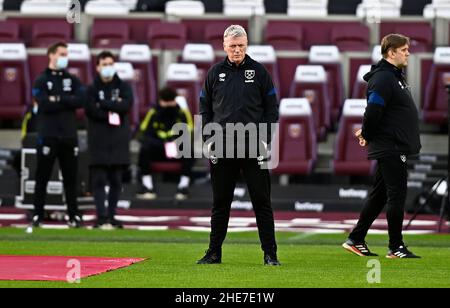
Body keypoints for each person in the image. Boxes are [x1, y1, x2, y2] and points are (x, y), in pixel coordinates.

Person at [197, 25, 280, 266]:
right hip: (222, 147)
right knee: (220, 203)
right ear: (224, 46)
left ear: (247, 45)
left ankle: (270, 254)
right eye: (232, 46)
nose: (237, 50)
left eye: (241, 46)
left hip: (253, 146)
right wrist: (209, 138)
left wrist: (262, 137)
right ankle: (213, 253)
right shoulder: (214, 73)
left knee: (262, 202)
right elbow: (205, 109)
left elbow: (271, 109)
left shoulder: (259, 72)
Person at [342, 34, 422, 259]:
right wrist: (367, 133)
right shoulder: (384, 78)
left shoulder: (394, 76)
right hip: (391, 145)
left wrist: (368, 132)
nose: (408, 53)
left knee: (379, 195)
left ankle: (356, 239)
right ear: (391, 52)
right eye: (404, 49)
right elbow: (374, 110)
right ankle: (395, 247)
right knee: (397, 194)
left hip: (393, 143)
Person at [31, 42, 85, 228]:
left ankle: (74, 215)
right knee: (42, 177)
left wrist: (58, 99)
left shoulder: (72, 78)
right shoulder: (41, 79)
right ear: (51, 55)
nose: (65, 57)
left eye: (66, 54)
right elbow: (44, 103)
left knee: (71, 179)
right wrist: (67, 100)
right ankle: (37, 214)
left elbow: (81, 99)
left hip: (69, 135)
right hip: (48, 135)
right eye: (62, 53)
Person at [85, 51, 133, 229]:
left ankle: (112, 216)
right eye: (104, 64)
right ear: (97, 67)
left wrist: (103, 104)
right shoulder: (91, 88)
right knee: (98, 181)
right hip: (98, 139)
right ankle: (101, 216)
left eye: (110, 64)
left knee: (115, 181)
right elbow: (90, 110)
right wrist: (113, 105)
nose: (108, 67)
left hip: (118, 140)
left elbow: (126, 105)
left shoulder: (124, 86)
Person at [137, 87, 194, 201]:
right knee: (145, 149)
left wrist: (174, 142)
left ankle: (183, 187)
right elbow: (143, 132)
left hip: (176, 149)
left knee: (188, 150)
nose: (168, 104)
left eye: (170, 101)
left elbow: (189, 131)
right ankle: (147, 187)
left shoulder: (182, 112)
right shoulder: (153, 112)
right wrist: (161, 144)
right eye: (165, 101)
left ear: (175, 100)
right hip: (158, 148)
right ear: (160, 101)